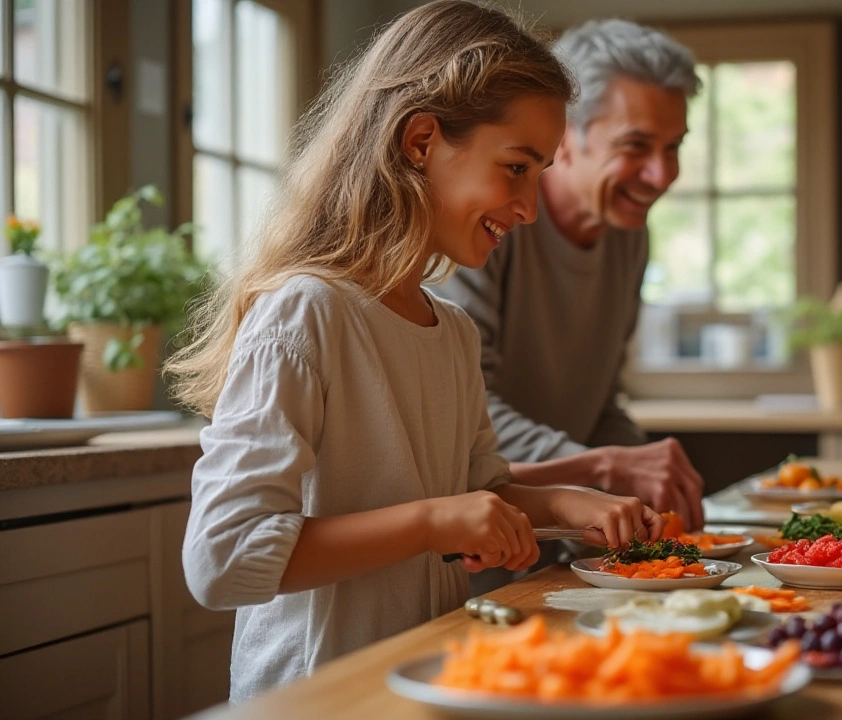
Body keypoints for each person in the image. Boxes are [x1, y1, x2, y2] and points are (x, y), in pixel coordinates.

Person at [164, 2, 663, 701]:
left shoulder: (451, 332)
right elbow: (223, 559)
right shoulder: (307, 313)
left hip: (425, 677)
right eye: (516, 167)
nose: (528, 206)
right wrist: (434, 522)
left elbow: (476, 493)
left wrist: (567, 502)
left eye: (540, 170)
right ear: (421, 140)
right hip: (323, 697)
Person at [435, 19, 706, 529]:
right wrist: (604, 471)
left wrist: (644, 474)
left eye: (674, 147)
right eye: (636, 145)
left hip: (556, 527)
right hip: (483, 531)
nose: (663, 174)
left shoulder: (628, 233)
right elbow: (467, 412)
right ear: (565, 137)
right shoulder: (486, 224)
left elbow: (600, 403)